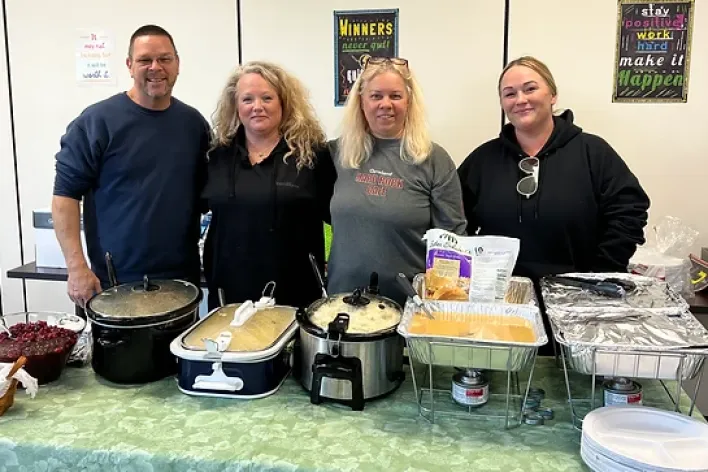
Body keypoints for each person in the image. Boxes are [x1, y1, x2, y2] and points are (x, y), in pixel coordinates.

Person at [52, 25, 210, 307]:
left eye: (164, 59)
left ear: (177, 64)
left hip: (181, 284)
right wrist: (76, 268)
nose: (155, 67)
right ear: (129, 65)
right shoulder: (97, 122)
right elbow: (65, 196)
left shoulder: (193, 124)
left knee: (178, 352)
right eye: (144, 60)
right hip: (113, 285)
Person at [458, 56, 650, 285]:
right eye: (510, 93)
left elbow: (629, 211)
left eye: (530, 89)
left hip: (579, 295)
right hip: (500, 296)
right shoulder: (482, 161)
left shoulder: (593, 153)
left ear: (553, 95)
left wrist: (602, 272)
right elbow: (455, 220)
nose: (521, 100)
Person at [327, 56, 467, 307]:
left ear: (409, 101)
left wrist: (446, 303)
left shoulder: (433, 159)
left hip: (411, 308)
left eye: (395, 96)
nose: (386, 104)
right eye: (376, 96)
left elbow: (452, 239)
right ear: (361, 101)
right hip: (343, 303)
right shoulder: (335, 154)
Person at [201, 61, 335, 310]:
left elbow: (338, 216)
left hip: (294, 294)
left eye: (267, 98)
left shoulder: (312, 156)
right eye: (247, 99)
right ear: (236, 105)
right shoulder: (216, 155)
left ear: (283, 103)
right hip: (228, 296)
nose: (257, 107)